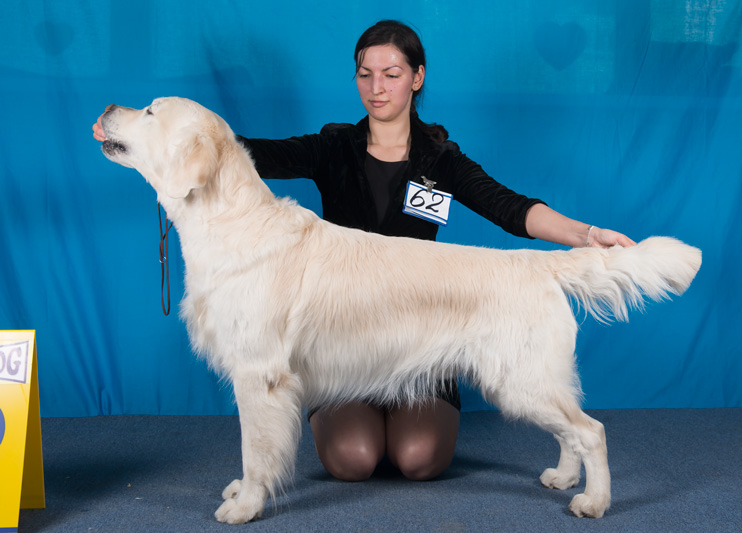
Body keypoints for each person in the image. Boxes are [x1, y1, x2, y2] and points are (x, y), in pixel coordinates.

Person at [93, 19, 635, 484]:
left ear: (416, 78)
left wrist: (586, 235)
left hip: (423, 341)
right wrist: (141, 139)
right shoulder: (333, 146)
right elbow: (243, 152)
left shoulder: (441, 159)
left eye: (391, 74)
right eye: (365, 74)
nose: (377, 88)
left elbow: (508, 207)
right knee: (353, 460)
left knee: (418, 460)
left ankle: (572, 448)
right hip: (341, 354)